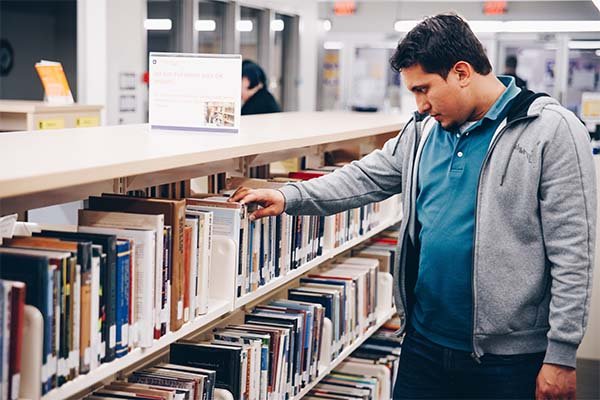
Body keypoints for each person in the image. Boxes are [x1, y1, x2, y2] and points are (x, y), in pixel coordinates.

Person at [230, 13, 596, 399]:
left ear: (461, 72)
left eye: (424, 89)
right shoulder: (424, 132)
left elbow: (574, 252)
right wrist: (290, 196)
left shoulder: (550, 130)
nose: (420, 105)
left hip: (508, 359)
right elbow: (366, 176)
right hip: (424, 344)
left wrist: (562, 356)